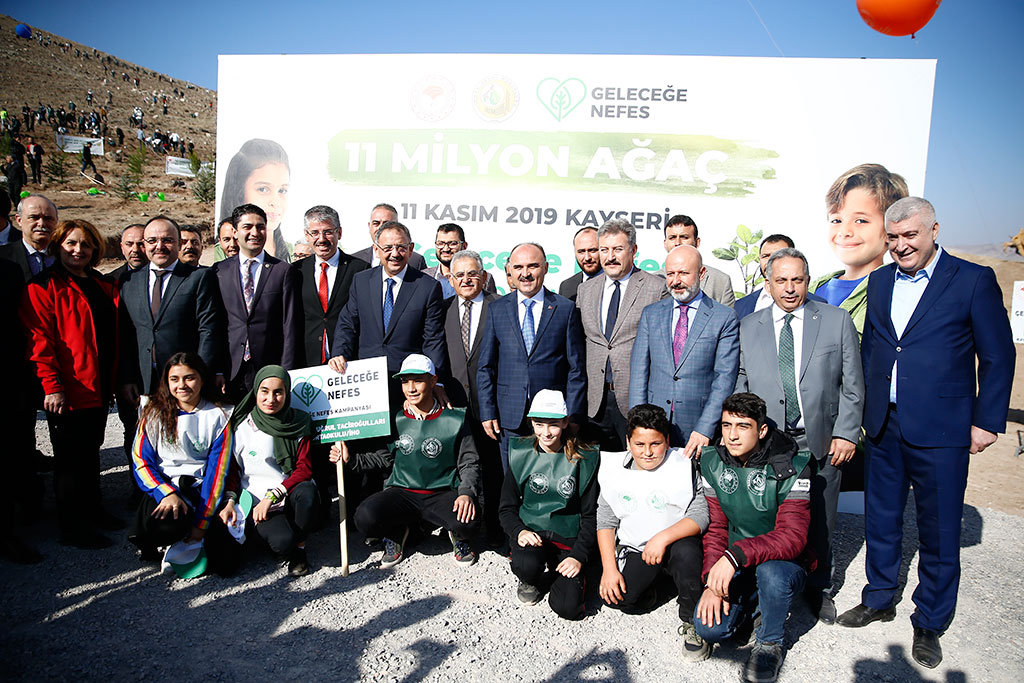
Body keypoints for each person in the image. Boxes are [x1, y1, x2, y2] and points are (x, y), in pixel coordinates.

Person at [836, 197, 1015, 669]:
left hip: (943, 428)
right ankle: (878, 598)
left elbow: (998, 355)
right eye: (893, 238)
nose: (900, 246)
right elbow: (875, 350)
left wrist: (986, 421)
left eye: (910, 235)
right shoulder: (880, 280)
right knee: (881, 519)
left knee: (938, 529)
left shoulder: (972, 280)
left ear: (934, 230)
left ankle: (930, 620)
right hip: (884, 424)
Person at [736, 247, 864, 624]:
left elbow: (853, 384)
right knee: (770, 520)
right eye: (781, 280)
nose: (790, 288)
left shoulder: (836, 320)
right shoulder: (749, 326)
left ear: (808, 281)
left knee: (821, 519)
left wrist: (846, 433)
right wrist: (746, 433)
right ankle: (768, 591)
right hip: (769, 442)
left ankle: (818, 587)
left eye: (797, 280)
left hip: (821, 439)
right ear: (768, 283)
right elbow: (741, 381)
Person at [695, 393, 813, 683]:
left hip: (782, 563)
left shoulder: (794, 465)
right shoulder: (712, 462)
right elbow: (716, 529)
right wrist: (712, 580)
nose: (732, 436)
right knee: (709, 629)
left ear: (761, 431)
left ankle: (770, 643)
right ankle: (760, 605)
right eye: (726, 426)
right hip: (736, 561)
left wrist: (734, 556)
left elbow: (792, 537)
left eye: (743, 426)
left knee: (771, 573)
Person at [20, 219, 123, 549]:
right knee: (69, 461)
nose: (79, 250)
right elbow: (40, 342)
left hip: (98, 386)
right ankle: (72, 526)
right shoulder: (43, 287)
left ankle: (93, 509)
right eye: (71, 243)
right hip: (68, 389)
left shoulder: (102, 284)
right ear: (58, 246)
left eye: (86, 244)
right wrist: (52, 386)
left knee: (90, 453)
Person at [331, 354, 481, 568]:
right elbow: (383, 459)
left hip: (442, 493)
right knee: (364, 517)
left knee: (470, 521)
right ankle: (399, 531)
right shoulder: (395, 418)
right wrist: (350, 460)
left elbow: (469, 461)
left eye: (418, 381)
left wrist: (466, 493)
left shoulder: (455, 418)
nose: (411, 388)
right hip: (402, 492)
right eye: (405, 382)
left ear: (433, 381)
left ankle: (457, 536)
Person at [597, 404, 709, 661]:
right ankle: (663, 587)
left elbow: (700, 514)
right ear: (628, 442)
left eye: (655, 444)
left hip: (676, 543)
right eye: (639, 444)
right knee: (619, 598)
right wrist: (609, 569)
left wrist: (663, 537)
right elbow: (606, 521)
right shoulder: (615, 471)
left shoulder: (684, 465)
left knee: (687, 553)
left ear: (667, 441)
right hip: (637, 547)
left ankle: (692, 618)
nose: (647, 452)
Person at [477, 242, 587, 469]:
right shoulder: (498, 309)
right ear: (510, 270)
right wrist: (487, 412)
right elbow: (486, 366)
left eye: (532, 266)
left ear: (545, 268)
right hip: (509, 417)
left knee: (550, 479)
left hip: (552, 420)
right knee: (513, 480)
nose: (525, 273)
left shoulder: (565, 309)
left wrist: (573, 415)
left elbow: (576, 368)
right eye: (518, 267)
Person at [128, 352, 239, 575]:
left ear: (202, 379)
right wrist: (165, 493)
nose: (182, 385)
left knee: (226, 565)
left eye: (189, 378)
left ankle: (193, 539)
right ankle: (166, 541)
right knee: (167, 527)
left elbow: (217, 472)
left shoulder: (219, 415)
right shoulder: (153, 412)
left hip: (203, 490)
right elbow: (141, 461)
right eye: (174, 379)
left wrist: (202, 524)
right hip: (166, 487)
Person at [292, 205, 369, 519]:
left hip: (348, 366)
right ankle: (321, 507)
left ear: (339, 233)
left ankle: (353, 509)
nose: (321, 239)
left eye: (327, 232)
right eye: (315, 233)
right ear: (306, 236)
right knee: (316, 438)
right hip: (309, 366)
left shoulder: (360, 269)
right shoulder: (295, 272)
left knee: (349, 438)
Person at [629, 245, 739, 455]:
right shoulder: (651, 314)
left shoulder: (723, 318)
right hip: (653, 424)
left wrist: (705, 428)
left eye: (683, 273)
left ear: (701, 273)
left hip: (698, 426)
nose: (675, 281)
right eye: (670, 274)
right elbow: (638, 373)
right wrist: (637, 424)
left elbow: (724, 378)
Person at [500, 390, 597, 619]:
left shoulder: (584, 458)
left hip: (568, 539)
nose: (546, 432)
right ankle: (530, 579)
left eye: (553, 425)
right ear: (531, 423)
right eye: (539, 424)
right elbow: (506, 508)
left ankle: (565, 572)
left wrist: (578, 556)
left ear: (565, 423)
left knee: (568, 608)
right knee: (526, 564)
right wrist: (519, 531)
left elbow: (591, 515)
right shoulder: (520, 454)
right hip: (533, 534)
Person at [329, 220, 448, 408]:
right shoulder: (361, 281)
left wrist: (437, 381)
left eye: (401, 247)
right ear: (376, 250)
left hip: (408, 385)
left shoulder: (428, 287)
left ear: (410, 249)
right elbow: (347, 324)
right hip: (366, 381)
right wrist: (339, 354)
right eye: (388, 248)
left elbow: (433, 339)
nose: (395, 254)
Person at [576, 219, 667, 451]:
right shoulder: (585, 290)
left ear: (633, 250)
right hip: (594, 402)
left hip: (634, 400)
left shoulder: (656, 288)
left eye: (617, 249)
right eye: (604, 250)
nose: (610, 257)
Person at [221, 365, 319, 576]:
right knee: (282, 542)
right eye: (264, 391)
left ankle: (300, 549)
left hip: (286, 492)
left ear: (286, 393)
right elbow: (233, 471)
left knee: (307, 492)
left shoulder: (298, 422)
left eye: (278, 392)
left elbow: (304, 469)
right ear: (255, 391)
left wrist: (273, 495)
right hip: (254, 499)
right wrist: (230, 501)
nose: (271, 399)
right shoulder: (242, 426)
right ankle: (264, 536)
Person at [442, 249, 502, 543]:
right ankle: (461, 530)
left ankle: (494, 529)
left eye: (472, 274)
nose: (466, 280)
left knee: (493, 468)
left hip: (491, 404)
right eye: (460, 275)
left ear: (484, 276)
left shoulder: (501, 306)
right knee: (460, 467)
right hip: (453, 403)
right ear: (450, 279)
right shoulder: (441, 309)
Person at [212, 204, 302, 400]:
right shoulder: (219, 271)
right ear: (235, 232)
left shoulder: (283, 271)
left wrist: (285, 371)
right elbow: (214, 324)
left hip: (268, 369)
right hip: (230, 369)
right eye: (247, 227)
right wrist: (216, 369)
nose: (255, 232)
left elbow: (290, 324)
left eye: (260, 227)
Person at [810, 163, 908, 335]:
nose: (845, 231)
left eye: (861, 221)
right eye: (836, 220)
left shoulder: (894, 294)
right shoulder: (813, 287)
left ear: (891, 230)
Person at [219, 139, 292, 262]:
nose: (275, 202)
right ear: (239, 192)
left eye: (282, 190)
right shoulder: (221, 254)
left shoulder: (294, 253)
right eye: (263, 189)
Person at [734, 234, 826, 320]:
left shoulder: (820, 305)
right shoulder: (739, 307)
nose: (770, 261)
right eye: (765, 256)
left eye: (779, 255)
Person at [663, 215, 735, 307]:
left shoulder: (720, 281)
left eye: (684, 237)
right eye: (672, 238)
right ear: (665, 243)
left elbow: (727, 315)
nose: (678, 243)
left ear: (697, 242)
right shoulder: (654, 280)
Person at [421, 223, 497, 298]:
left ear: (464, 246)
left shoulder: (484, 278)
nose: (446, 249)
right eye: (440, 243)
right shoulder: (423, 276)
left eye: (452, 244)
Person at [352, 203, 427, 269]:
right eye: (376, 223)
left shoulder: (416, 261)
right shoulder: (355, 260)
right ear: (369, 226)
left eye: (386, 224)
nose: (380, 228)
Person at [557, 227, 601, 302]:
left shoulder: (616, 283)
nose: (587, 258)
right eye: (581, 251)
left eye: (592, 250)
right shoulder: (566, 286)